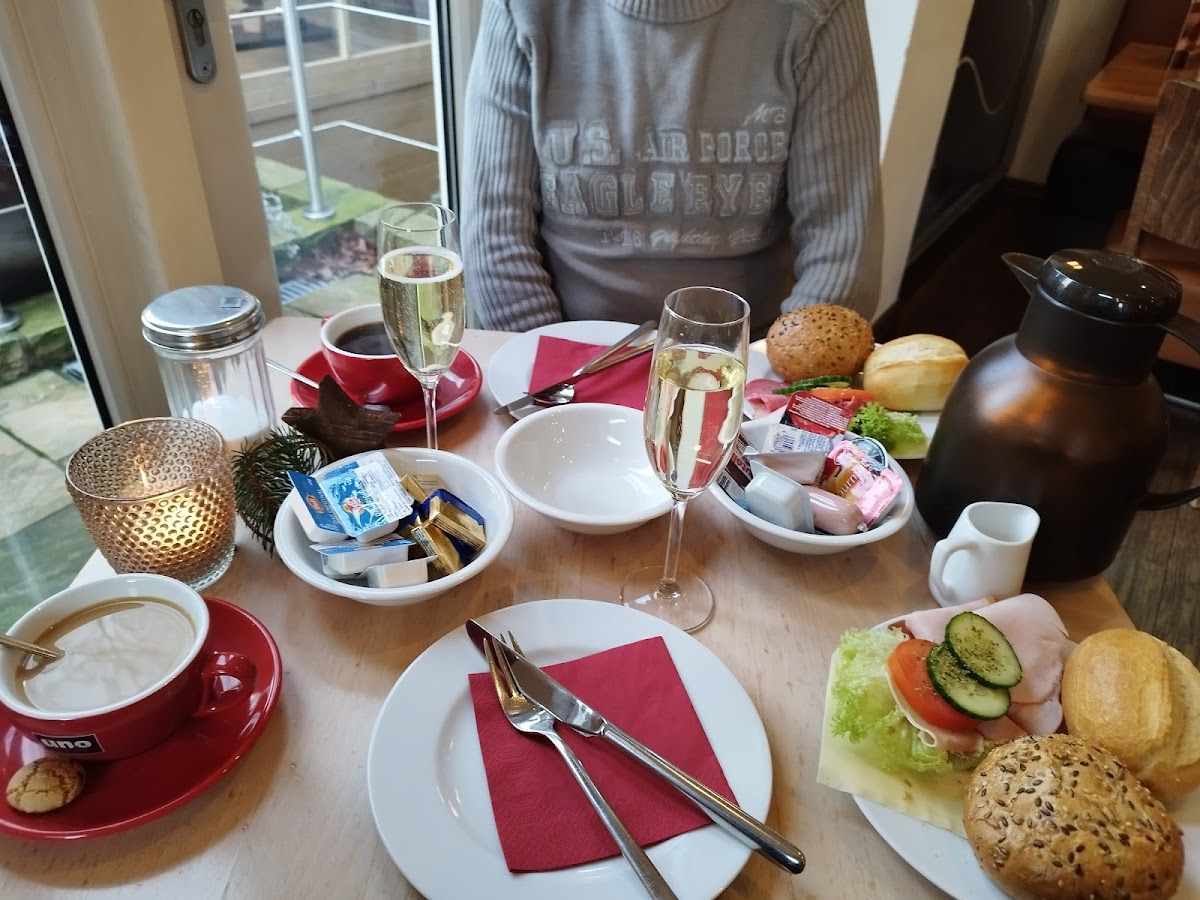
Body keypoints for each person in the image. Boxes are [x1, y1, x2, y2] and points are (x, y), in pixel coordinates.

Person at [460, 0, 883, 339]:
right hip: (569, 351)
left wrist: (764, 384)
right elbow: (496, 237)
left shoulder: (819, 11)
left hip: (747, 359)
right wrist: (555, 379)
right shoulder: (522, 8)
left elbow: (843, 252)